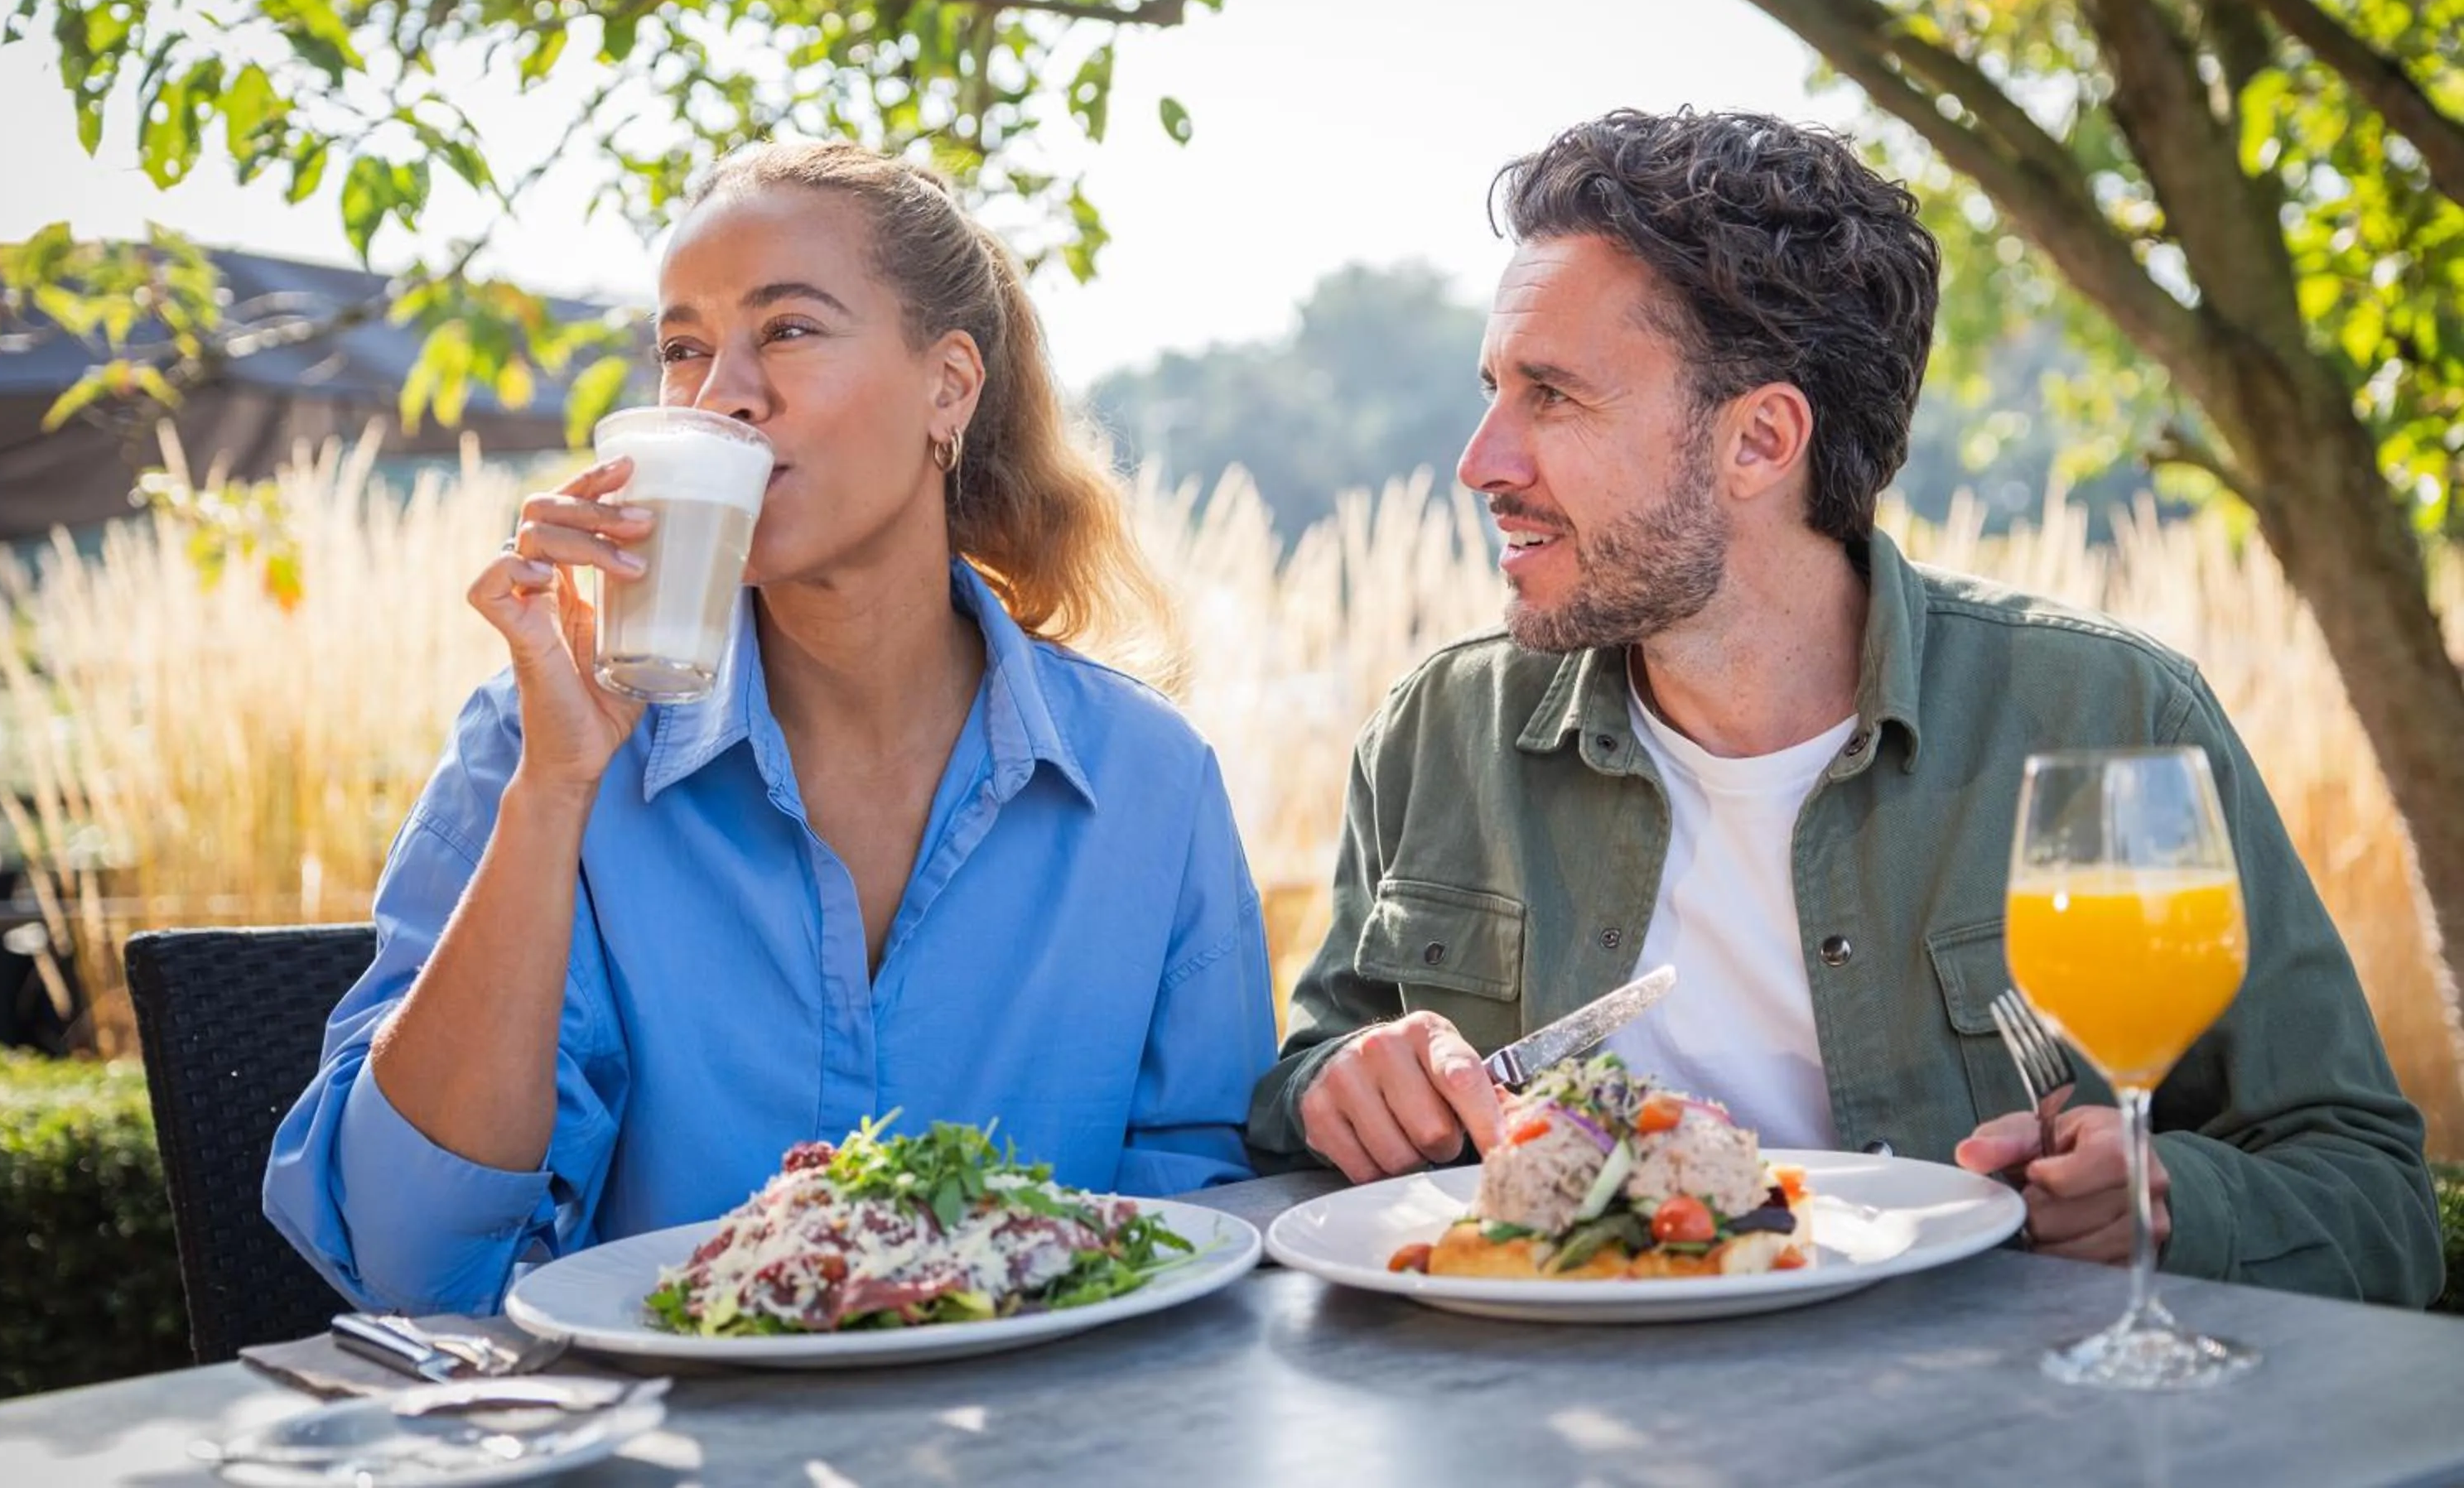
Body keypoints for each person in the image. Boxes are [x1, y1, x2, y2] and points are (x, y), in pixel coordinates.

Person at [1248, 107, 2443, 1306]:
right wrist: (1339, 1085)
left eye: (1551, 397)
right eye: (1494, 388)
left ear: (1761, 438)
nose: (1482, 460)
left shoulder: (2112, 715)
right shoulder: (1435, 733)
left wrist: (2169, 1201)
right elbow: (1307, 1092)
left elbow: (2377, 1203)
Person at [268, 143, 1277, 1314]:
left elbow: (1191, 1237)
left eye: (787, 331)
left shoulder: (1148, 783)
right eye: (685, 348)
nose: (719, 395)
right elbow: (410, 1259)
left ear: (949, 386)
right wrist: (553, 793)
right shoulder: (541, 738)